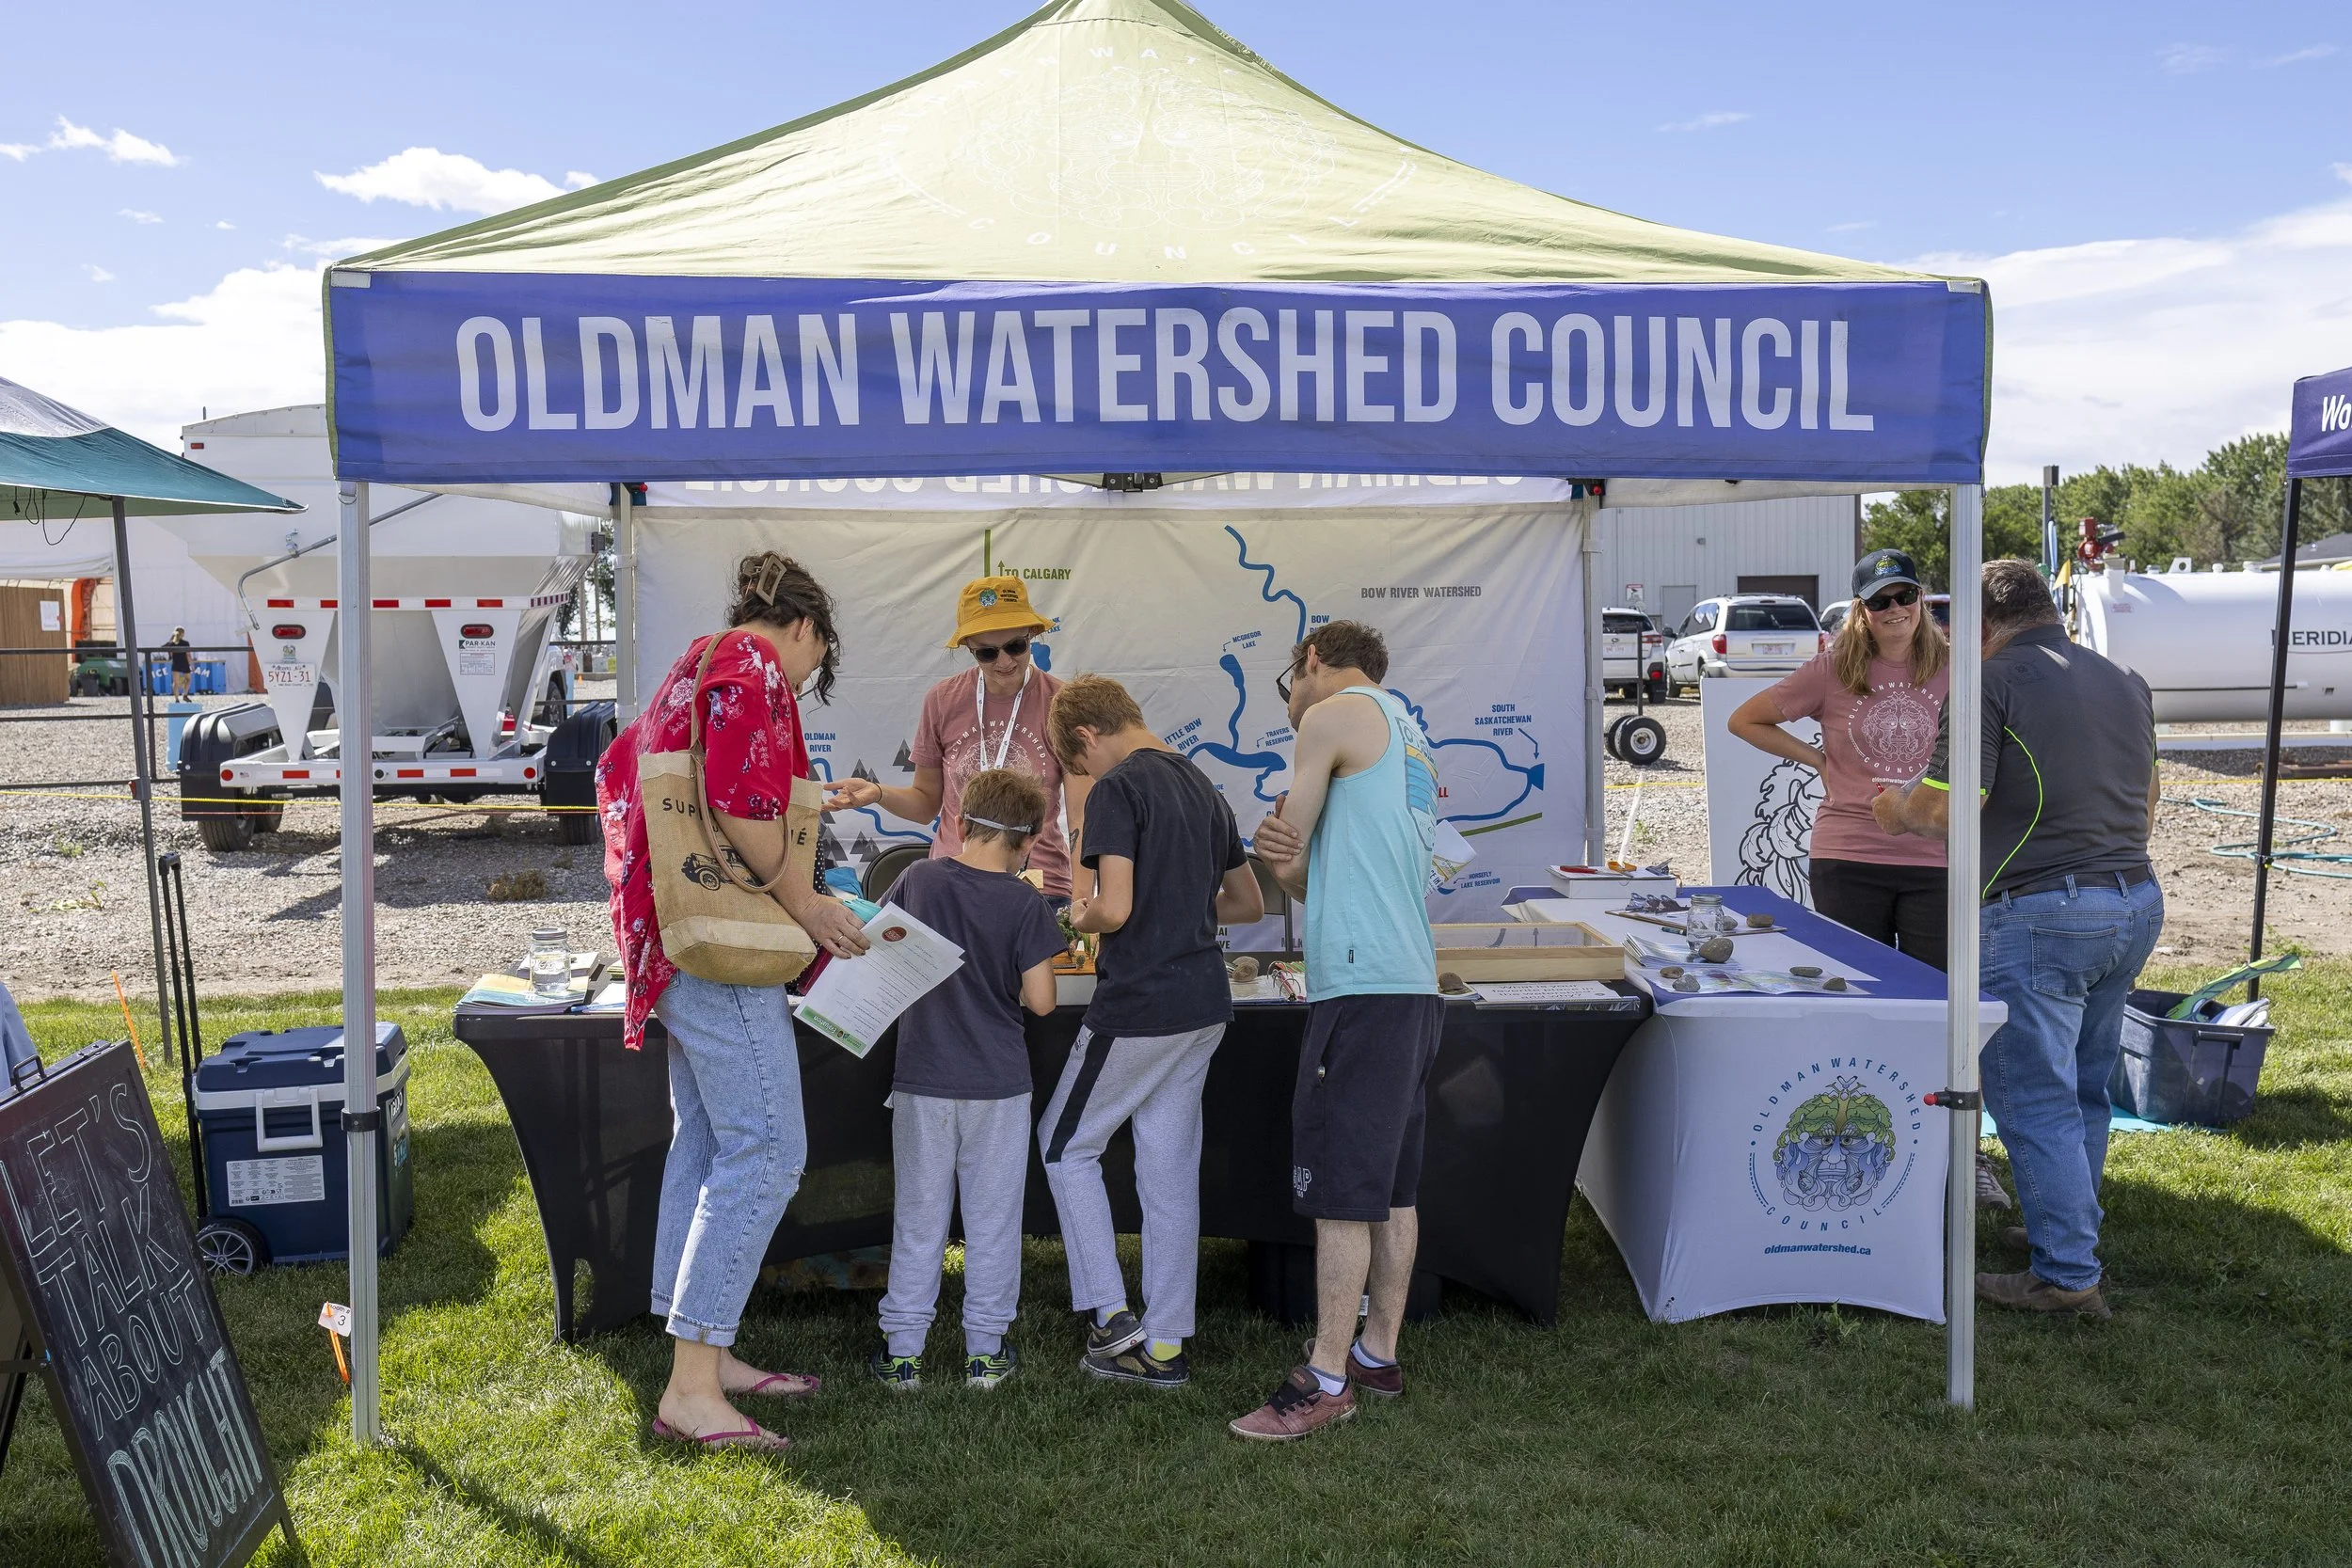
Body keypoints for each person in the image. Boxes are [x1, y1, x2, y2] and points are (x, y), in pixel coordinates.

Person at [595, 552, 872, 1452]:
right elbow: (743, 808)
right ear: (804, 629)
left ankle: (703, 1349)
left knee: (710, 1140)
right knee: (767, 1148)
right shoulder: (752, 667)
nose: (807, 677)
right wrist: (810, 902)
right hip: (720, 947)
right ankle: (692, 1386)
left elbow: (630, 771)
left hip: (670, 938)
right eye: (817, 660)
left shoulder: (698, 660)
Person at [1874, 558, 2164, 1319]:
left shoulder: (1990, 684)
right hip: (2132, 897)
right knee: (2087, 1083)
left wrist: (1893, 809)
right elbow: (2150, 801)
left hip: (2039, 911)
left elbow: (1944, 809)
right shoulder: (2124, 678)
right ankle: (2065, 1229)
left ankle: (2066, 1274)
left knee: (2032, 1094)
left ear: (1981, 624)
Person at [1232, 622, 1439, 1443]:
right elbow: (1310, 870)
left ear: (1311, 660)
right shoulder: (1409, 728)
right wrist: (1283, 854)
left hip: (1362, 988)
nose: (1290, 699)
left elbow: (1293, 843)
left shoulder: (1331, 715)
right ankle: (1377, 1354)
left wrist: (1274, 841)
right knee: (1393, 1186)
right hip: (1410, 982)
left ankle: (1325, 1376)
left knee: (1343, 1194)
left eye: (1290, 678)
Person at [1038, 674, 1263, 1386]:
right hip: (1203, 1002)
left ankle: (1110, 1317)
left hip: (1141, 1003)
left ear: (1085, 737)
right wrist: (1181, 905)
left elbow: (1116, 906)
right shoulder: (1203, 785)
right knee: (1168, 1169)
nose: (1086, 779)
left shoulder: (1117, 789)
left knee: (1064, 1145)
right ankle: (1163, 1343)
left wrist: (1078, 912)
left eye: (1079, 768)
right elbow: (1246, 900)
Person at [869, 768, 1070, 1395]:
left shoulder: (918, 879)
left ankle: (904, 1353)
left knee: (919, 1216)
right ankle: (985, 1352)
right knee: (993, 1219)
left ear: (958, 822)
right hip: (999, 1085)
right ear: (1029, 842)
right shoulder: (1024, 902)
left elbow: (877, 959)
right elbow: (1041, 1001)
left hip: (922, 1079)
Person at [1729, 549, 1950, 968]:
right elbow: (1745, 721)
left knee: (1938, 996)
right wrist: (1817, 761)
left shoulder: (1958, 667)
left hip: (1936, 856)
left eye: (1905, 595)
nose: (1895, 609)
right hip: (1849, 856)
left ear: (1921, 598)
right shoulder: (1832, 670)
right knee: (1859, 987)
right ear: (1861, 610)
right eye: (1880, 601)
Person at [826, 575, 1089, 902]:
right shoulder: (943, 700)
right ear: (969, 648)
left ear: (1032, 635)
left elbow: (1081, 816)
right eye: (987, 653)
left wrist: (1081, 901)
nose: (1005, 662)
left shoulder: (1061, 703)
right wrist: (878, 793)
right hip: (953, 884)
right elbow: (925, 803)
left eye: (1016, 647)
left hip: (1039, 888)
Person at [165, 627, 193, 700]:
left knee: (176, 683)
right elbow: (188, 655)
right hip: (184, 663)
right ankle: (185, 695)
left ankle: (176, 699)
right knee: (188, 680)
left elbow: (171, 655)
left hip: (176, 663)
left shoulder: (171, 643)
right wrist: (191, 665)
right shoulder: (186, 643)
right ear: (182, 634)